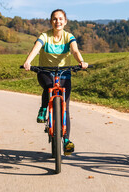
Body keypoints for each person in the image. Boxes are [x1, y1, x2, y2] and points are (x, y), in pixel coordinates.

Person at [23, 9, 88, 155]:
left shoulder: (68, 36)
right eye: (54, 19)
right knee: (49, 86)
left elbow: (75, 51)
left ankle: (66, 141)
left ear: (65, 22)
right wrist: (28, 61)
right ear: (51, 21)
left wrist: (81, 61)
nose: (57, 21)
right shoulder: (45, 36)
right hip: (45, 72)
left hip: (64, 73)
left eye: (60, 19)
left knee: (65, 108)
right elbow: (36, 49)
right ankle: (44, 108)